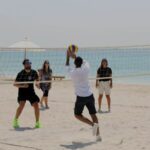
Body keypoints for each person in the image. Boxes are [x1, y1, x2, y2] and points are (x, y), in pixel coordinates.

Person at [66, 47, 102, 142]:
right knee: (93, 115)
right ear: (82, 63)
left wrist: (68, 56)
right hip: (90, 96)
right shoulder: (86, 69)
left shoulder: (73, 73)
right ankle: (98, 135)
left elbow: (67, 66)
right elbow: (84, 62)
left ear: (75, 64)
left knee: (77, 115)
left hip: (81, 98)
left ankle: (92, 125)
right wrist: (75, 56)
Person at [13, 59, 41, 128]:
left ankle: (37, 122)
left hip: (31, 92)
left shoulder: (34, 72)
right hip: (22, 92)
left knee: (36, 105)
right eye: (27, 63)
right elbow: (15, 84)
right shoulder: (20, 73)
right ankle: (15, 120)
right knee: (22, 105)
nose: (29, 64)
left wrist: (37, 85)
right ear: (24, 65)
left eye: (30, 63)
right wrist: (23, 86)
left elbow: (37, 81)